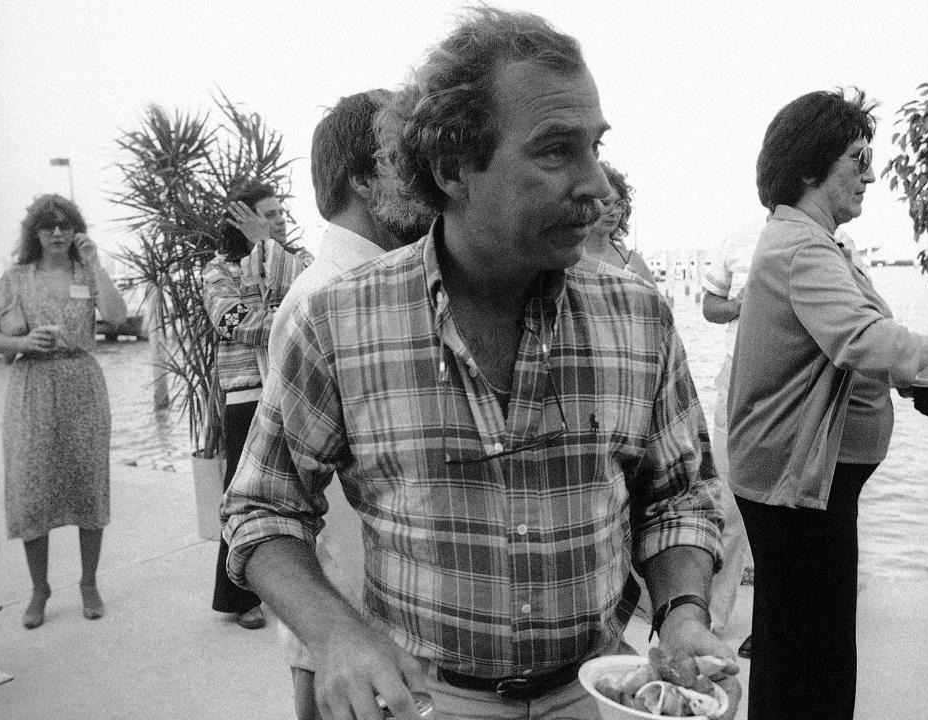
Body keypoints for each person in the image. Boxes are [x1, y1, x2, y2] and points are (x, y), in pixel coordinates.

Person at [223, 8, 740, 720]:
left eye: (595, 146)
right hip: (425, 701)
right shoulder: (337, 321)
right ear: (453, 168)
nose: (597, 184)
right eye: (557, 151)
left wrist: (681, 611)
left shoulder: (639, 316)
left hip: (594, 692)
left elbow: (681, 493)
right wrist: (334, 634)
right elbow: (262, 507)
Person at [727, 87, 928, 720]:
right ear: (813, 165)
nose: (870, 173)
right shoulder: (801, 249)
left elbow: (857, 347)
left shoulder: (814, 246)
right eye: (858, 156)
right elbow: (861, 338)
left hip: (805, 488)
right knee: (815, 661)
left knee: (796, 648)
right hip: (798, 490)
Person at [273, 88, 433, 720]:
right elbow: (296, 504)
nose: (431, 176)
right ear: (366, 179)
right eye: (408, 158)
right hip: (360, 625)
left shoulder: (370, 286)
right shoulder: (328, 302)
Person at [0, 194, 127, 628]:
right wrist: (23, 343)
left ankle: (88, 581)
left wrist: (96, 261)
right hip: (33, 386)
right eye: (48, 226)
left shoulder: (87, 272)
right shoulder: (17, 277)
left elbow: (117, 316)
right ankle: (39, 588)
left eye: (65, 225)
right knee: (31, 487)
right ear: (35, 232)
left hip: (82, 381)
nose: (58, 233)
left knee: (88, 481)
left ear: (77, 229)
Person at [201, 180, 312, 630]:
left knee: (305, 488)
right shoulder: (218, 269)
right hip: (247, 390)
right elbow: (232, 322)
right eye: (268, 214)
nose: (280, 219)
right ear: (241, 219)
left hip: (297, 385)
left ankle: (307, 585)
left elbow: (314, 301)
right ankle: (239, 594)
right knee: (244, 491)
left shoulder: (300, 260)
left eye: (281, 212)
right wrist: (285, 315)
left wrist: (269, 249)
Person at [701, 228, 760, 658]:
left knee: (792, 506)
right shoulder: (737, 241)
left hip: (798, 385)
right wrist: (740, 304)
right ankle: (712, 614)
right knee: (726, 499)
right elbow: (709, 306)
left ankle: (776, 623)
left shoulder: (835, 243)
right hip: (735, 377)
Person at [583, 162, 657, 285]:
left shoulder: (632, 261)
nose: (614, 212)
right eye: (605, 203)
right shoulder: (568, 259)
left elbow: (656, 302)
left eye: (619, 205)